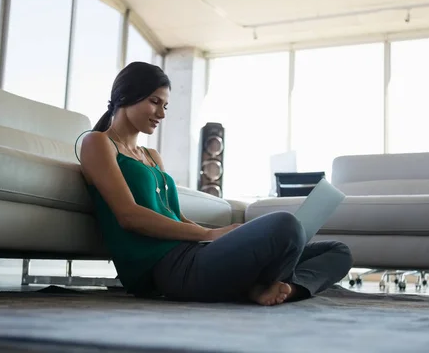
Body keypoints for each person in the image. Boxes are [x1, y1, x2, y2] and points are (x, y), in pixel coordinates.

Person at [76, 61, 353, 305]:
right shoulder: (98, 142)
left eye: (165, 105)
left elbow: (177, 217)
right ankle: (262, 283)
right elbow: (128, 216)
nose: (161, 113)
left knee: (338, 251)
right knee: (285, 225)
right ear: (127, 96)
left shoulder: (151, 156)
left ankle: (285, 288)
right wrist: (208, 236)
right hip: (165, 269)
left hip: (193, 254)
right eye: (154, 101)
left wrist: (222, 234)